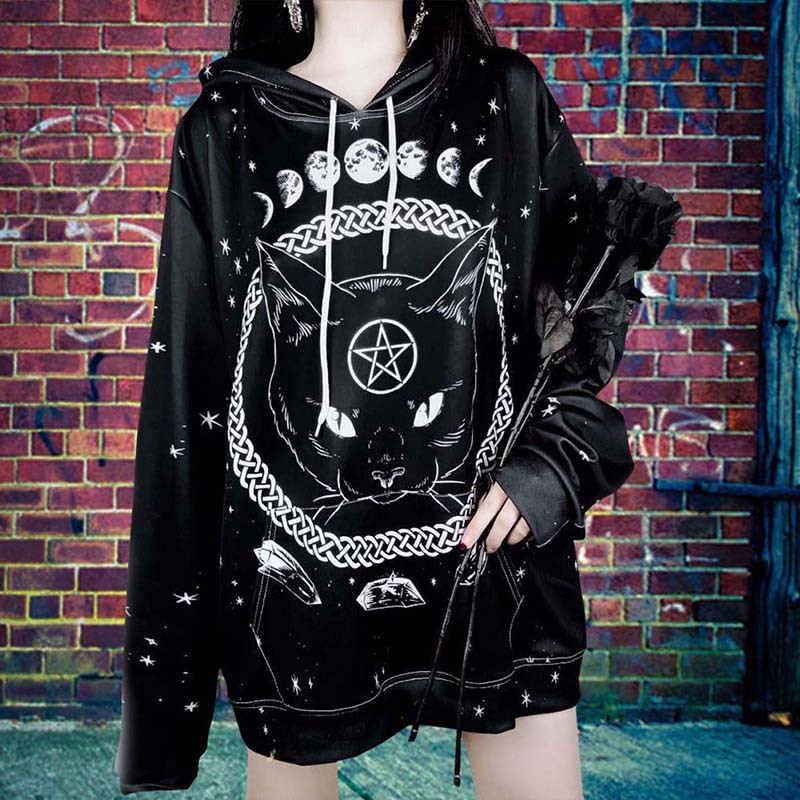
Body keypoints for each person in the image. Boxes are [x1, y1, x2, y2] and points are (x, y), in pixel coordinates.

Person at [114, 1, 668, 798]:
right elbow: (189, 390)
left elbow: (580, 308)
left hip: (495, 570)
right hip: (296, 582)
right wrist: (165, 710)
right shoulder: (225, 130)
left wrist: (553, 463)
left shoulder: (504, 99)